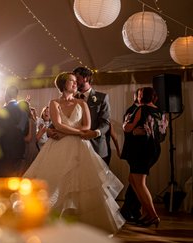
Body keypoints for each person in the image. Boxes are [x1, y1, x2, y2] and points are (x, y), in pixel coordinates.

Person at [23, 72, 125, 234]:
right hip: (58, 148)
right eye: (71, 81)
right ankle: (58, 226)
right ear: (63, 84)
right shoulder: (54, 103)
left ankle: (83, 228)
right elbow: (58, 124)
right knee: (57, 183)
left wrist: (65, 133)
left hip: (80, 148)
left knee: (82, 185)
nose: (75, 83)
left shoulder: (82, 103)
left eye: (75, 81)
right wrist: (66, 132)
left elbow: (87, 127)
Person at [123, 87, 167, 228]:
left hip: (141, 150)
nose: (139, 97)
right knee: (132, 179)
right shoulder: (161, 112)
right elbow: (162, 135)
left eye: (140, 95)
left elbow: (127, 128)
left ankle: (153, 215)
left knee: (140, 183)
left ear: (142, 97)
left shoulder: (141, 109)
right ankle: (147, 212)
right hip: (154, 149)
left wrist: (129, 127)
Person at [120, 88, 142, 222]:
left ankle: (131, 209)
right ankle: (128, 209)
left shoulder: (140, 110)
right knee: (136, 181)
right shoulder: (132, 110)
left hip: (139, 151)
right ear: (136, 97)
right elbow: (128, 130)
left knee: (136, 181)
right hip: (134, 150)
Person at [0, 86, 29, 177]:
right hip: (19, 150)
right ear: (17, 96)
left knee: (3, 181)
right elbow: (25, 132)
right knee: (16, 180)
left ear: (6, 95)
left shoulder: (2, 111)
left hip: (4, 152)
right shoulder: (23, 112)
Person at [18, 100, 39, 174]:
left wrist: (16, 138)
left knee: (23, 174)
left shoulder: (27, 120)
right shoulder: (32, 120)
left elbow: (28, 138)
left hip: (28, 150)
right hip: (34, 149)